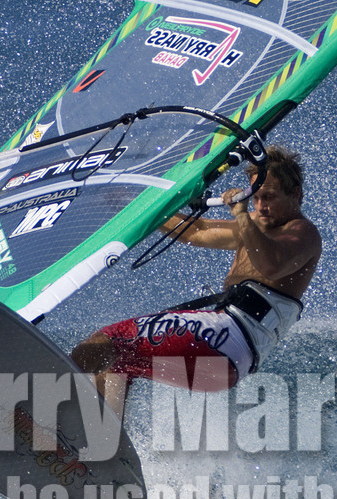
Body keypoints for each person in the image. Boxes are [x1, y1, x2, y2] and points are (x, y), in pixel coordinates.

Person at [71, 146, 321, 415]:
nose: (260, 207)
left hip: (228, 338)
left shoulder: (302, 232)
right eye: (256, 197)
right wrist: (135, 205)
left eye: (269, 197)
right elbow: (197, 232)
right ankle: (98, 447)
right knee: (118, 363)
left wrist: (241, 216)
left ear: (295, 193)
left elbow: (272, 266)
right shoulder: (257, 226)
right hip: (225, 363)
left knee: (104, 341)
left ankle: (41, 408)